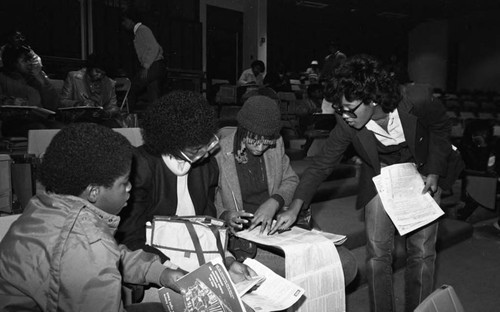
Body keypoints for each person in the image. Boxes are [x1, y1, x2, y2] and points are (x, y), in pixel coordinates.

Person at [272, 54, 461, 312]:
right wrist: (296, 205)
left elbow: (441, 128)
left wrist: (435, 172)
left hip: (422, 174)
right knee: (376, 256)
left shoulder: (416, 100)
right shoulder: (348, 122)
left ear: (372, 98)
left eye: (350, 109)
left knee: (422, 252)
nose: (345, 116)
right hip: (381, 176)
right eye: (340, 109)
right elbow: (322, 164)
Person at [0, 123, 186, 312]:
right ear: (94, 192)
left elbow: (114, 252)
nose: (130, 187)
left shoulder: (45, 206)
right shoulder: (89, 243)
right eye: (124, 183)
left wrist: (159, 273)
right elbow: (95, 254)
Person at [115, 90, 255, 300]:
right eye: (197, 148)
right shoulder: (140, 166)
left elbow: (207, 227)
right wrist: (173, 269)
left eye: (207, 144)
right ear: (172, 142)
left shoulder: (205, 167)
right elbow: (131, 238)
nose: (206, 152)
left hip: (198, 264)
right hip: (154, 268)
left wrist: (226, 259)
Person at [214, 95, 358, 285]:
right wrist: (226, 215)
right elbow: (206, 201)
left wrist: (275, 201)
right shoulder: (218, 152)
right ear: (242, 129)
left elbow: (290, 180)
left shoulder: (276, 143)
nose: (260, 147)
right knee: (307, 272)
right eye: (254, 140)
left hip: (277, 228)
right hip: (244, 238)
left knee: (344, 263)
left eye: (267, 142)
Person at [0, 44, 62, 136]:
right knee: (39, 128)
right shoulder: (2, 77)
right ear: (12, 62)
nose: (29, 63)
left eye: (30, 60)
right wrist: (11, 101)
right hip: (10, 121)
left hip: (36, 118)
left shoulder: (34, 78)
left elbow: (53, 106)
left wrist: (41, 81)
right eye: (25, 60)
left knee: (60, 127)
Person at [121, 7, 166, 112]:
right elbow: (158, 47)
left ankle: (128, 116)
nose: (123, 24)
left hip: (153, 65)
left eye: (124, 21)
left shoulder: (142, 30)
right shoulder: (139, 32)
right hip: (156, 65)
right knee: (153, 95)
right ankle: (155, 120)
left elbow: (154, 47)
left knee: (131, 91)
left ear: (131, 20)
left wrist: (146, 67)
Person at [60, 53, 122, 127]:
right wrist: (80, 104)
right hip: (77, 119)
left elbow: (113, 106)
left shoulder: (109, 83)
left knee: (114, 125)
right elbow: (62, 102)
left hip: (100, 120)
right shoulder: (74, 77)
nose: (99, 75)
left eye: (102, 74)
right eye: (97, 71)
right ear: (90, 67)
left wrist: (105, 113)